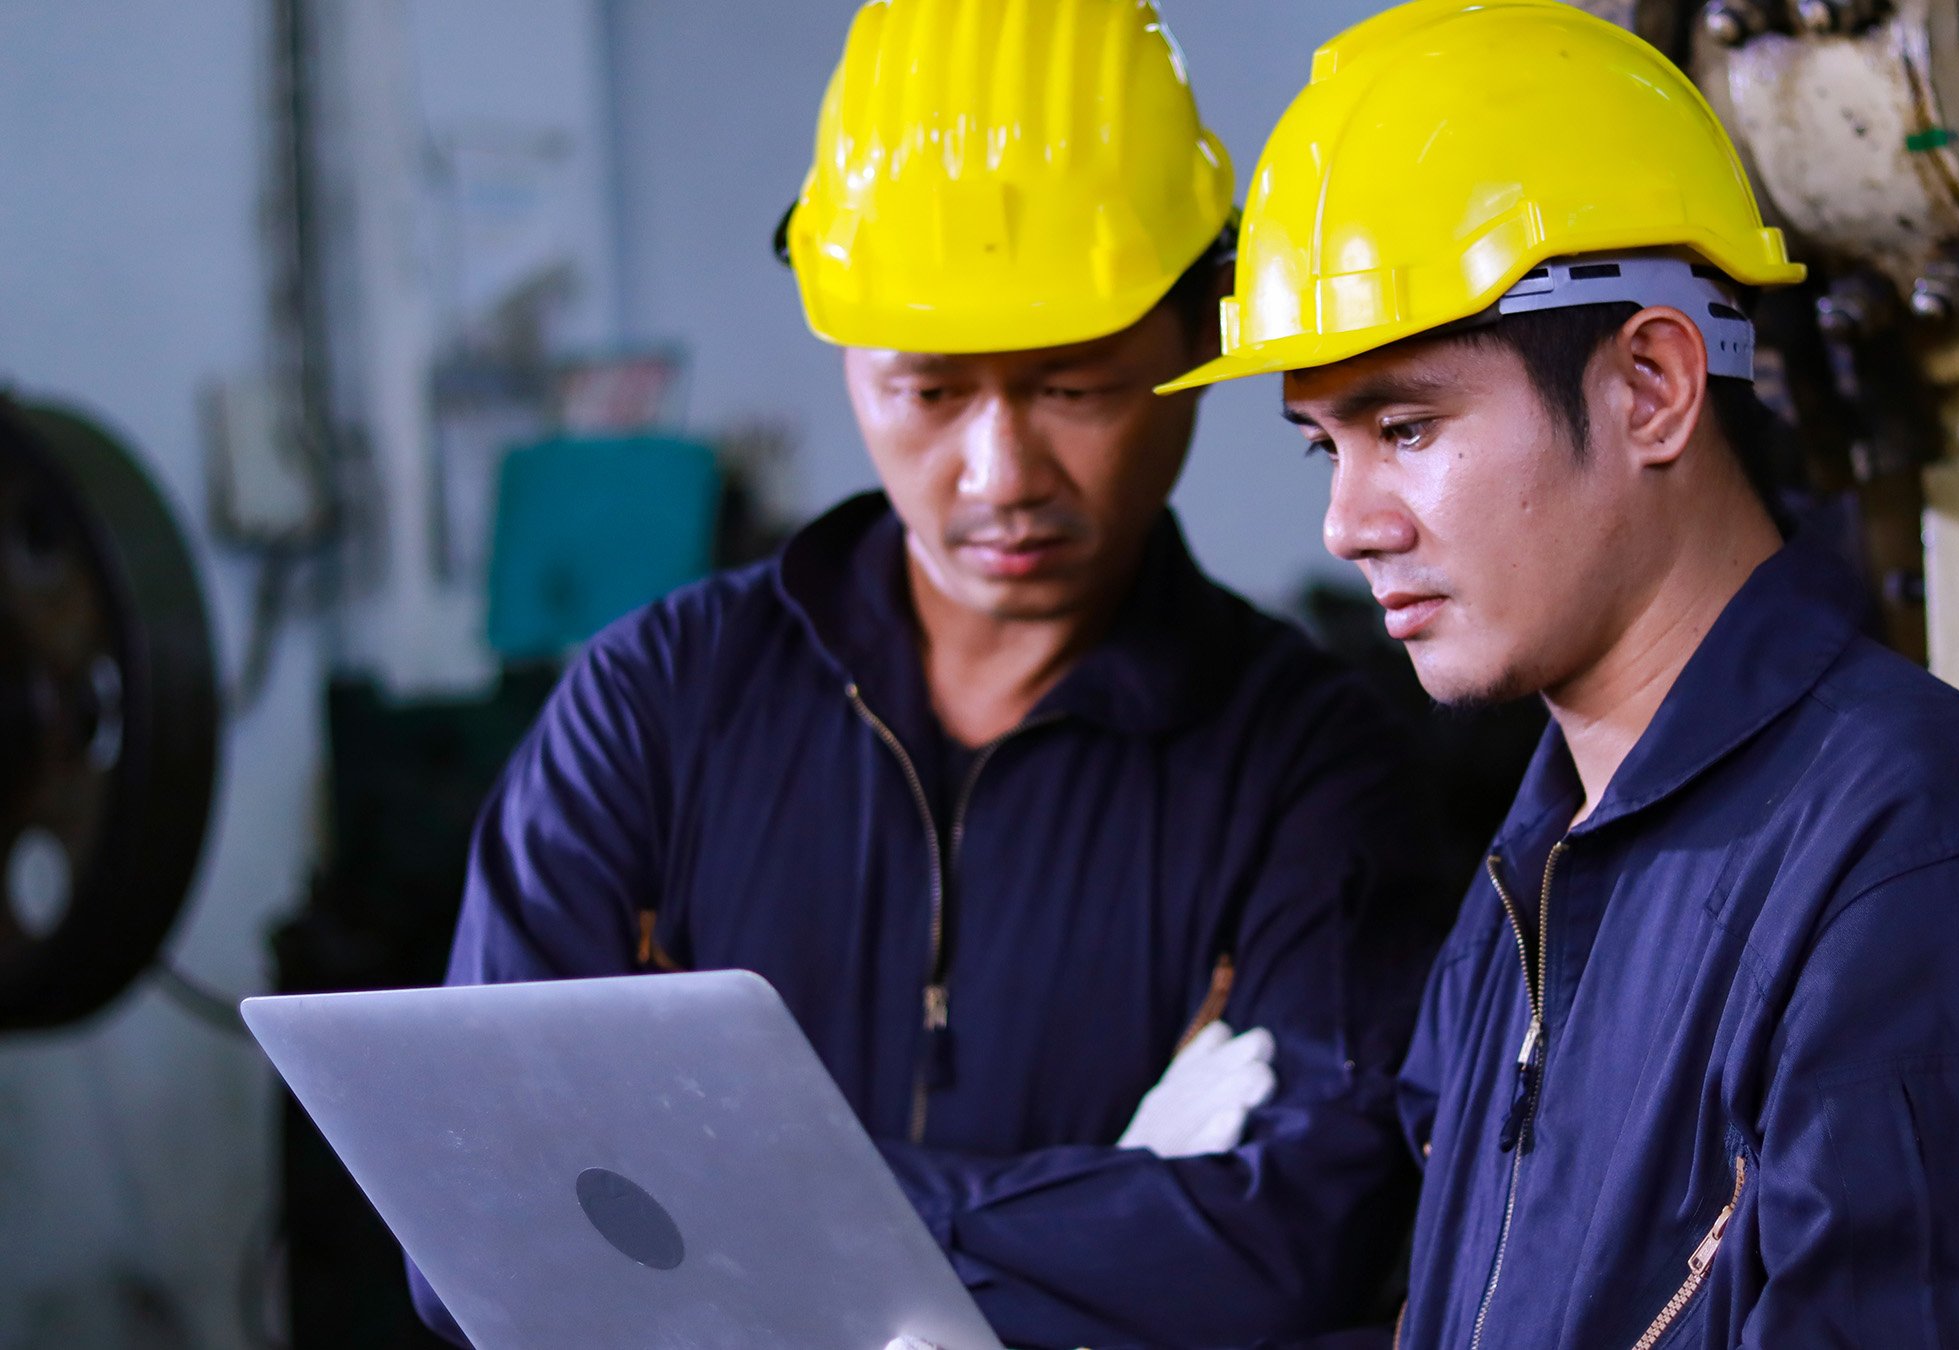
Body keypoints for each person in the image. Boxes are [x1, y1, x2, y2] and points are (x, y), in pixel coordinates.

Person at [410, 2, 1443, 1345]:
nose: (1000, 475)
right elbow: (472, 1225)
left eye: (1074, 389)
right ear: (848, 356)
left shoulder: (1310, 769)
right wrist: (1101, 1213)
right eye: (931, 393)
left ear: (1203, 336)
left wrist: (732, 1212)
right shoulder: (653, 706)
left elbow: (1299, 1245)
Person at [1160, 1, 1959, 1345]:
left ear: (1651, 385)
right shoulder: (1530, 894)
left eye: (1405, 426)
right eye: (1325, 448)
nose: (1350, 522)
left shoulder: (1924, 879)